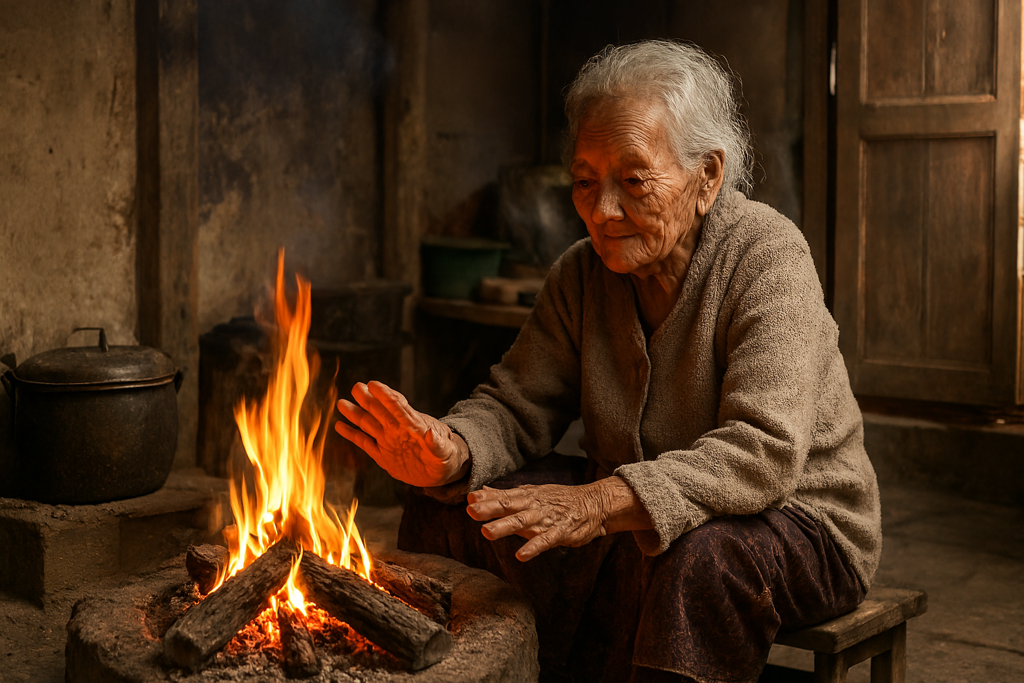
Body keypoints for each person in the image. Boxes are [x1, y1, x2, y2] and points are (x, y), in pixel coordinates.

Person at [336, 40, 881, 683]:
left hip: (794, 523)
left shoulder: (767, 257)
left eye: (634, 180)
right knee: (454, 507)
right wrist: (451, 449)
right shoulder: (580, 275)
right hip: (634, 500)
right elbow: (517, 404)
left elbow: (763, 452)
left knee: (700, 559)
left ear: (707, 176)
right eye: (585, 181)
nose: (603, 211)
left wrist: (597, 503)